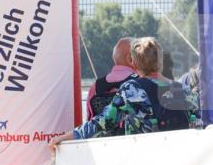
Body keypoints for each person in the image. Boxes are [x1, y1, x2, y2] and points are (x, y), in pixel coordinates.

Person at [50, 37, 201, 148]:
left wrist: (66, 137)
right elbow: (198, 128)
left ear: (134, 63)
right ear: (160, 61)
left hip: (146, 164)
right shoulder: (185, 91)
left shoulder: (132, 89)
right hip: (182, 164)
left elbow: (102, 123)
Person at [86, 37, 135, 120]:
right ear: (130, 58)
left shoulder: (95, 87)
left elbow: (90, 119)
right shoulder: (139, 83)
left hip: (101, 131)